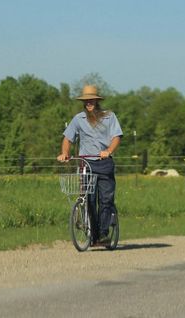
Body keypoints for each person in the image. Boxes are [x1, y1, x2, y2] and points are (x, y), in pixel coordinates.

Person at [57, 85, 123, 244]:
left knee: (106, 200)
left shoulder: (109, 117)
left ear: (97, 101)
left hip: (104, 162)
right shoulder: (78, 119)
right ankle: (93, 236)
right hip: (86, 164)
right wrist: (65, 153)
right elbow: (67, 138)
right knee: (89, 199)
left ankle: (103, 233)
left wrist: (108, 150)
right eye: (86, 101)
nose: (88, 103)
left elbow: (116, 137)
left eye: (91, 100)